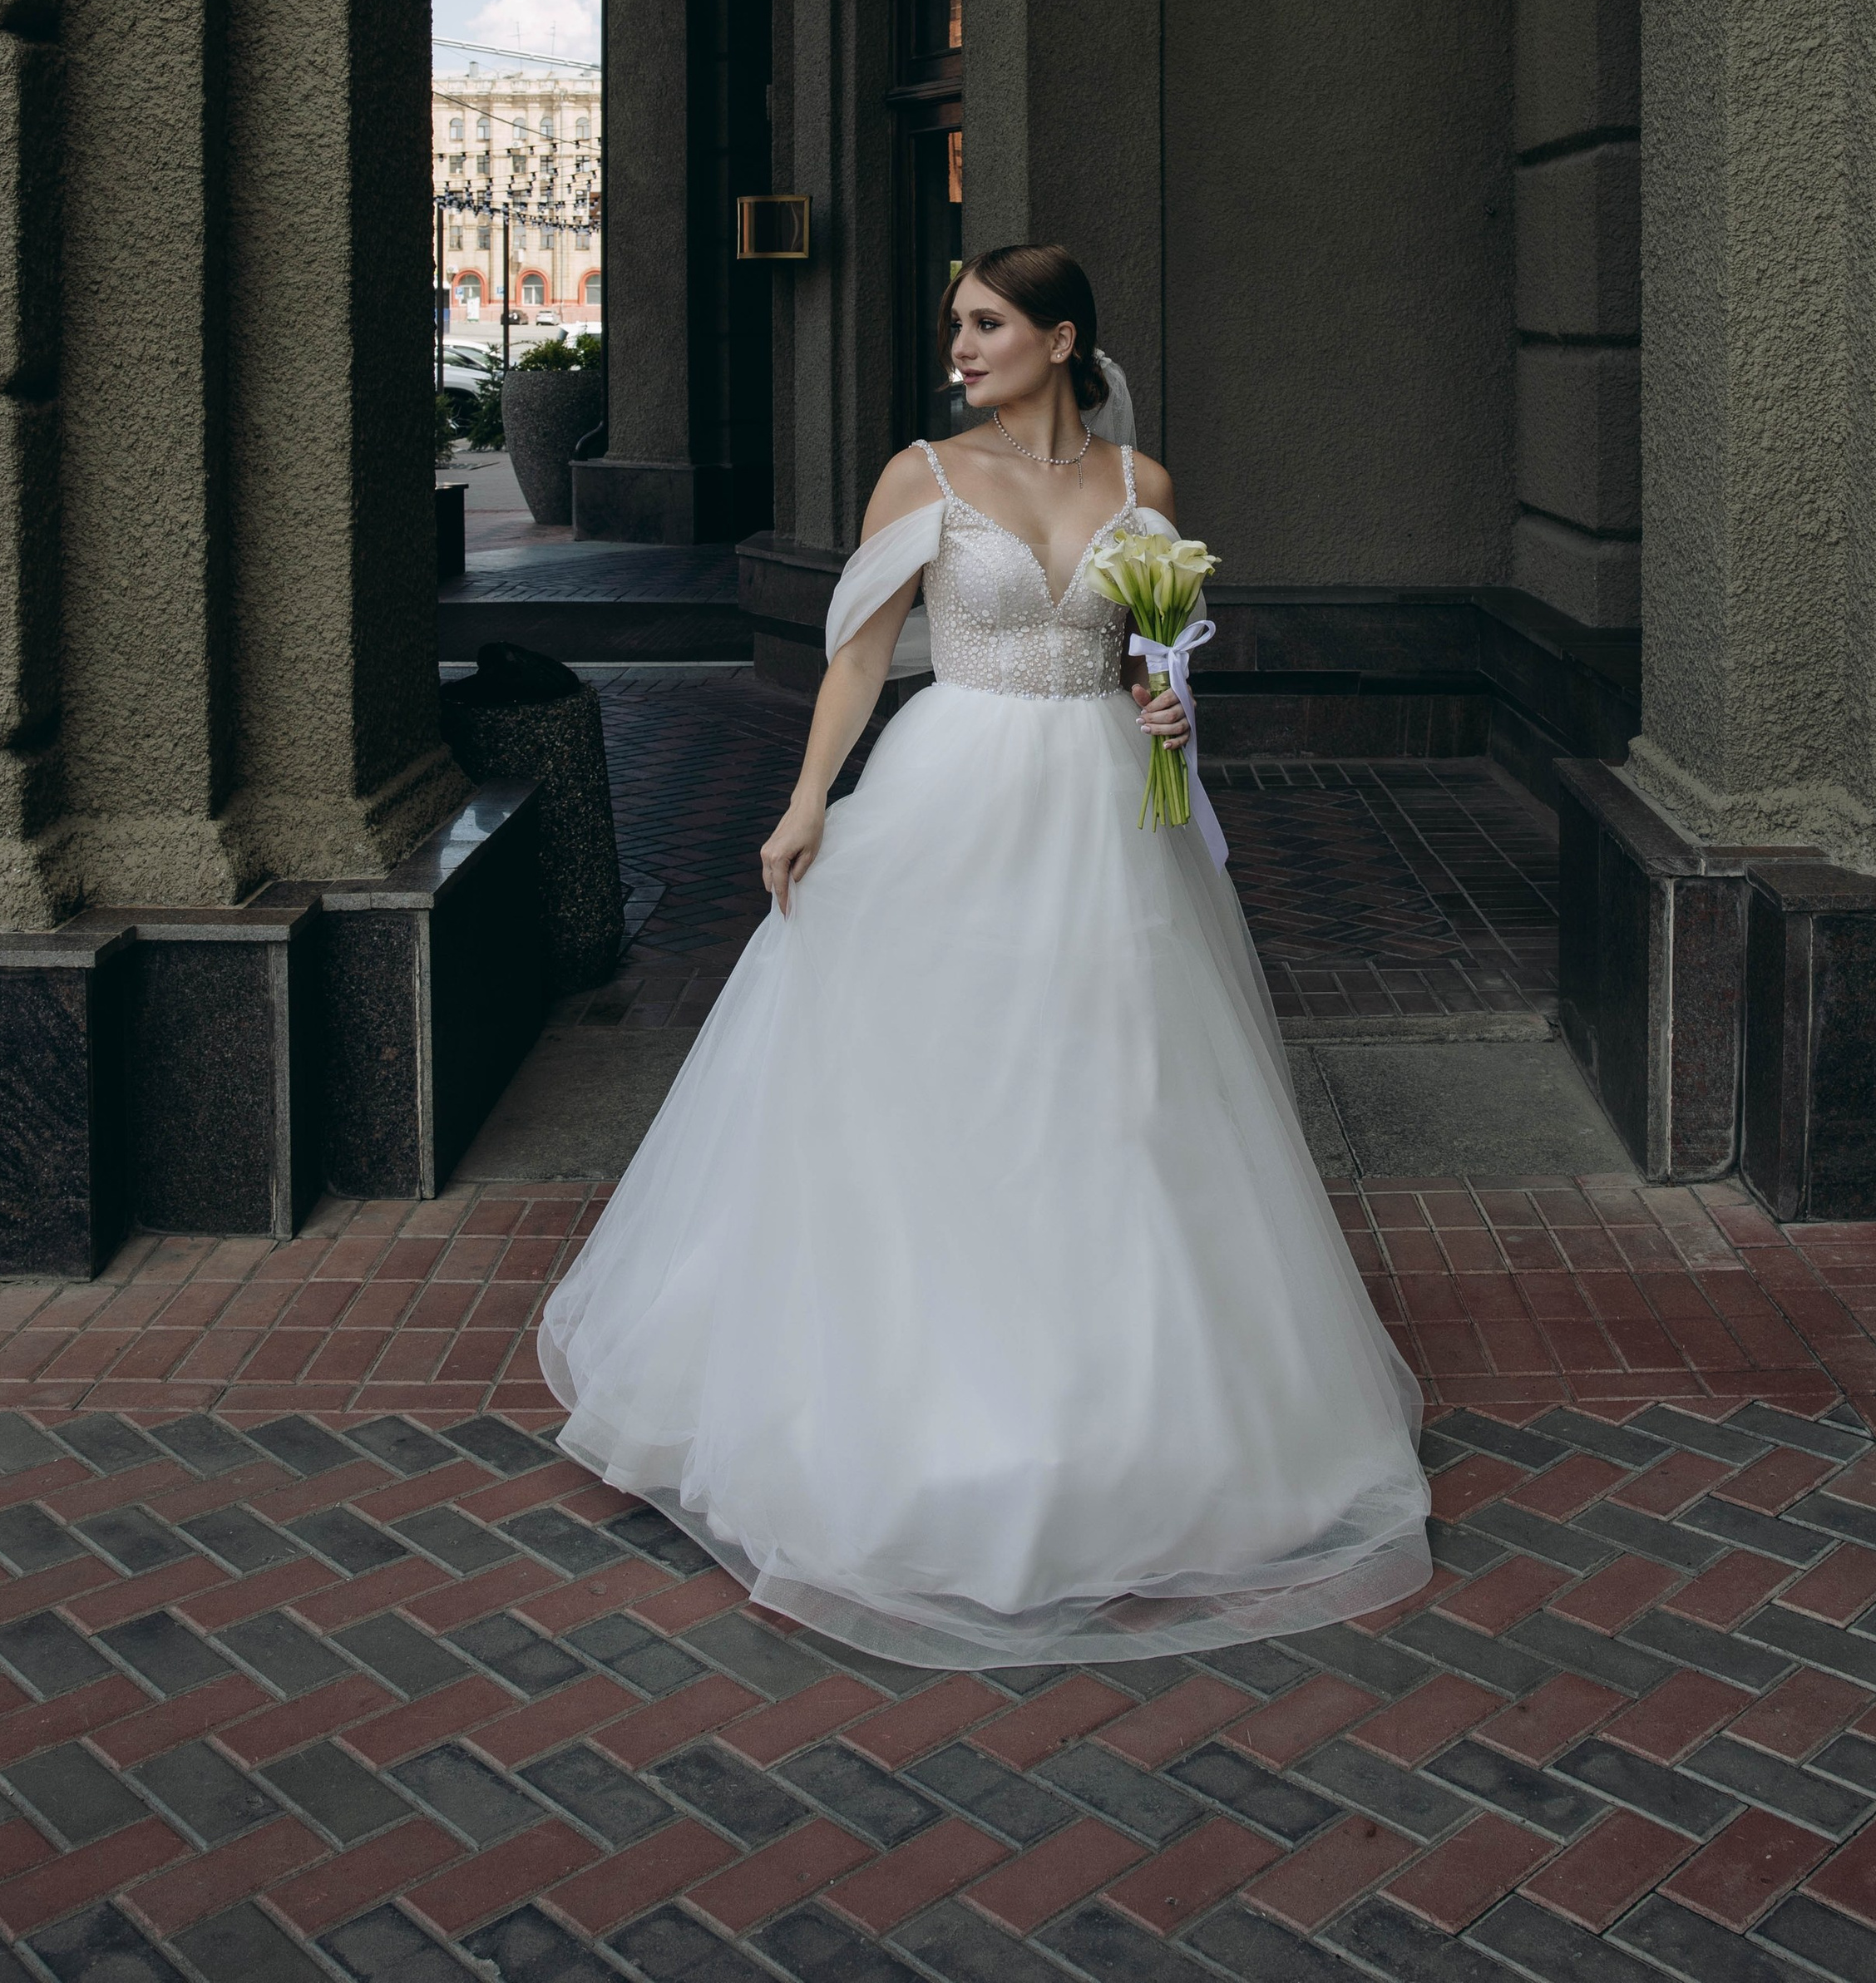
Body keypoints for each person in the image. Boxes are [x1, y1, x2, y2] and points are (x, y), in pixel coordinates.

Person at [538, 242, 1429, 1668]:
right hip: (951, 794)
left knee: (1117, 1091)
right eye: (956, 323)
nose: (960, 346)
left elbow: (1147, 659)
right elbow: (857, 655)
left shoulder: (1143, 486)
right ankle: (924, 1402)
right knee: (943, 1088)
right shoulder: (923, 476)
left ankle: (1128, 1414)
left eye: (989, 324)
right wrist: (806, 801)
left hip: (1104, 813)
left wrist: (1165, 706)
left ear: (1061, 339)